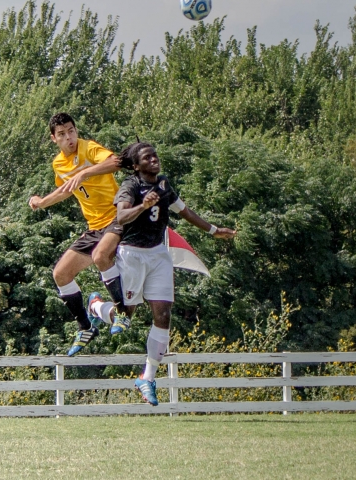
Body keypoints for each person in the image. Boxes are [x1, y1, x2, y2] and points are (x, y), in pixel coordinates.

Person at [87, 141, 236, 406]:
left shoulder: (164, 184)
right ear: (136, 166)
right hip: (132, 255)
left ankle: (148, 377)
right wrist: (143, 206)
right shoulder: (130, 186)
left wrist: (214, 230)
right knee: (127, 314)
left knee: (163, 315)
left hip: (158, 254)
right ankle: (96, 306)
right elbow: (121, 218)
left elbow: (185, 211)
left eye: (155, 155)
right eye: (147, 157)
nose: (154, 159)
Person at [28, 113, 130, 356]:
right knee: (60, 274)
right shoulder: (58, 164)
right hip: (95, 227)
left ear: (76, 131)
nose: (69, 138)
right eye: (62, 134)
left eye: (71, 131)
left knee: (101, 256)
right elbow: (65, 190)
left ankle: (123, 313)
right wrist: (42, 202)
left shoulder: (88, 148)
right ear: (54, 139)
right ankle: (86, 327)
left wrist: (85, 173)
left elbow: (117, 162)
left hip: (118, 217)